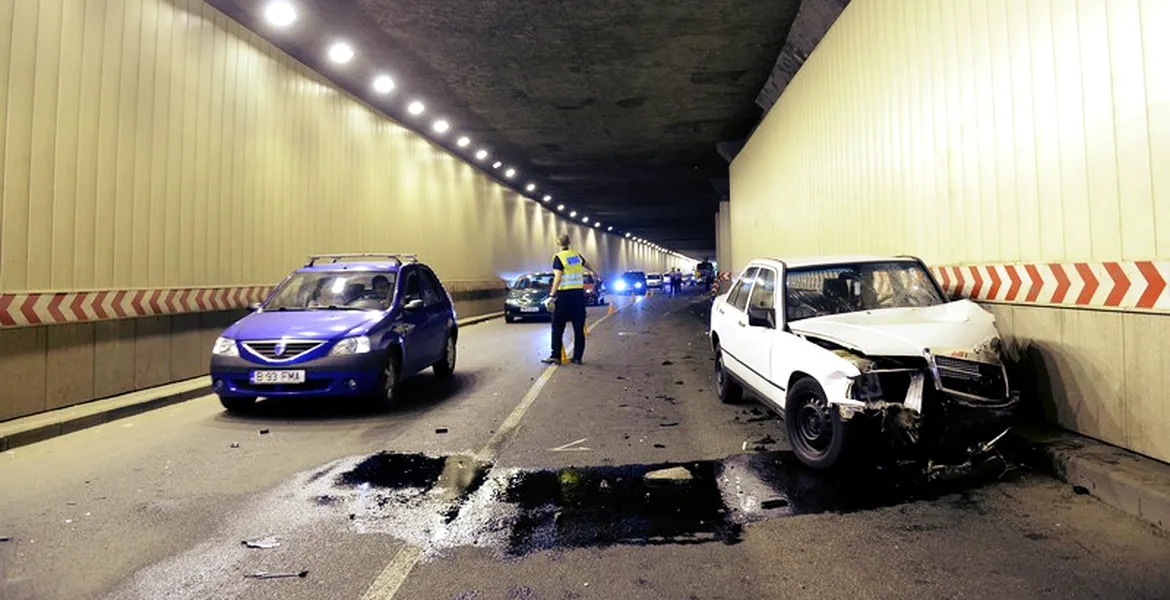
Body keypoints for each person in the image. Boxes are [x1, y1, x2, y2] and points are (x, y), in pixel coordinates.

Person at [542, 233, 593, 365]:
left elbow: (558, 277)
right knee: (578, 327)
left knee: (557, 326)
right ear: (569, 242)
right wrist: (595, 273)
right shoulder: (576, 255)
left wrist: (552, 295)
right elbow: (587, 264)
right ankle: (577, 357)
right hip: (578, 295)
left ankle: (556, 356)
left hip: (564, 296)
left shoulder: (558, 257)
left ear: (558, 243)